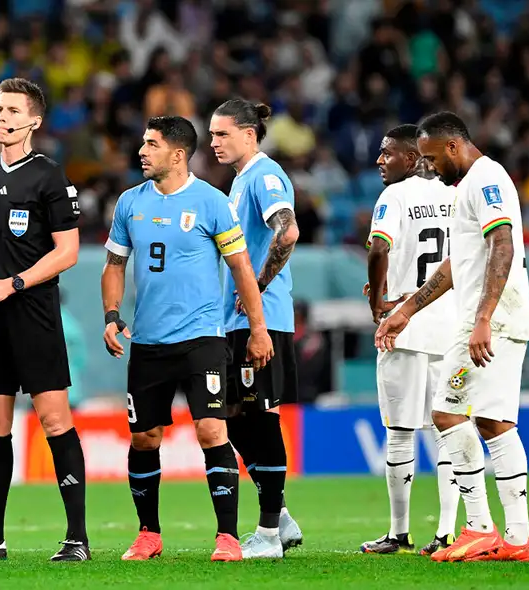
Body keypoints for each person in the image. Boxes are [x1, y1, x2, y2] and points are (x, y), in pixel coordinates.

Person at [101, 116, 273, 563]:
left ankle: (227, 537)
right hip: (149, 344)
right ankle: (148, 534)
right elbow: (114, 266)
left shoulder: (212, 202)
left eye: (151, 144)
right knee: (145, 439)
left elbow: (241, 269)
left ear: (177, 154)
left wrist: (258, 329)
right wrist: (112, 316)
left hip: (203, 339)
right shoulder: (128, 204)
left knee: (212, 429)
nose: (142, 151)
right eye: (142, 142)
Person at [376, 111, 529, 562]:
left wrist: (484, 316)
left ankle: (480, 527)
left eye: (431, 158)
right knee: (491, 421)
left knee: (447, 412)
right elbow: (455, 264)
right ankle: (519, 538)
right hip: (488, 318)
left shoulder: (488, 179)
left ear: (452, 147)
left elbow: (502, 244)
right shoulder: (465, 188)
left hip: (493, 320)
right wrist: (406, 309)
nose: (428, 167)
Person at [0, 78, 88, 562]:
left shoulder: (49, 176)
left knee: (52, 419)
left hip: (34, 313)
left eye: (11, 111)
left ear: (34, 121)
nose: (1, 117)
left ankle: (76, 539)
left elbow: (67, 252)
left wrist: (15, 283)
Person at [361, 124, 461, 556]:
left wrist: (378, 301)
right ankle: (447, 532)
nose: (380, 161)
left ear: (412, 157)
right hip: (450, 326)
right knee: (448, 431)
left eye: (387, 154)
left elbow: (379, 249)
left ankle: (399, 533)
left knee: (401, 432)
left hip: (404, 326)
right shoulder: (453, 195)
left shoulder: (394, 197)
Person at [209, 99, 303, 559]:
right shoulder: (242, 180)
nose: (213, 142)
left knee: (259, 417)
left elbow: (286, 232)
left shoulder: (265, 176)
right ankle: (279, 513)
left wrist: (257, 291)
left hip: (259, 320)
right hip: (237, 318)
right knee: (231, 416)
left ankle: (267, 535)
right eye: (211, 135)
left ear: (249, 134)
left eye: (222, 134)